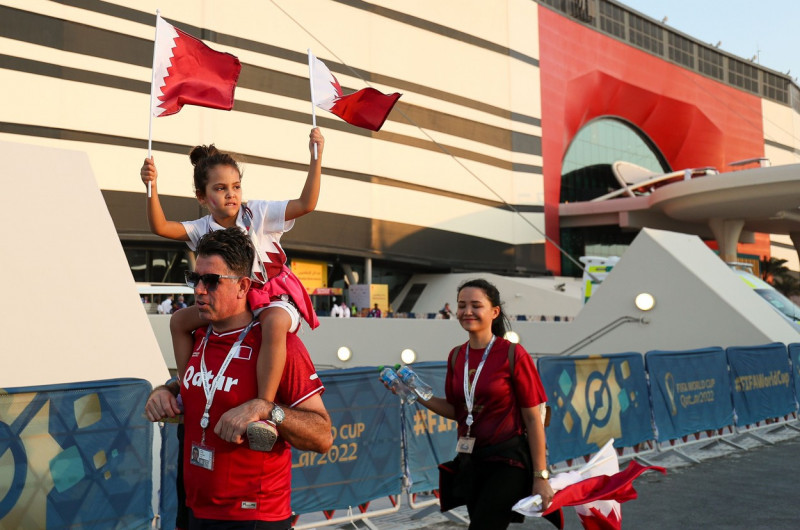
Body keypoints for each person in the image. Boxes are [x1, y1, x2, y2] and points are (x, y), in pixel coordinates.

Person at [141, 128, 324, 452]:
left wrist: (316, 156)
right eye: (220, 188)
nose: (231, 194)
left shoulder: (259, 213)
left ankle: (263, 409)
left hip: (272, 295)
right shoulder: (202, 228)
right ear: (202, 196)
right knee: (178, 322)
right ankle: (187, 390)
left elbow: (306, 203)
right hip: (233, 303)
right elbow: (160, 227)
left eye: (236, 186)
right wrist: (151, 186)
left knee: (274, 323)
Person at [144, 227, 332, 529]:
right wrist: (163, 391)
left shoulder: (283, 346)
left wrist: (268, 410)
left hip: (254, 516)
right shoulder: (199, 336)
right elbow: (201, 386)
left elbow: (323, 436)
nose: (200, 290)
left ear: (243, 286)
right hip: (195, 508)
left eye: (212, 281)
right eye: (196, 279)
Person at [387, 279, 553, 529]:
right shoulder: (456, 355)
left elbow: (533, 418)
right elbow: (458, 411)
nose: (467, 312)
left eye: (476, 305)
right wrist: (414, 394)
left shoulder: (513, 354)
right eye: (462, 305)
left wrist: (541, 476)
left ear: (494, 311)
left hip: (508, 461)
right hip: (471, 462)